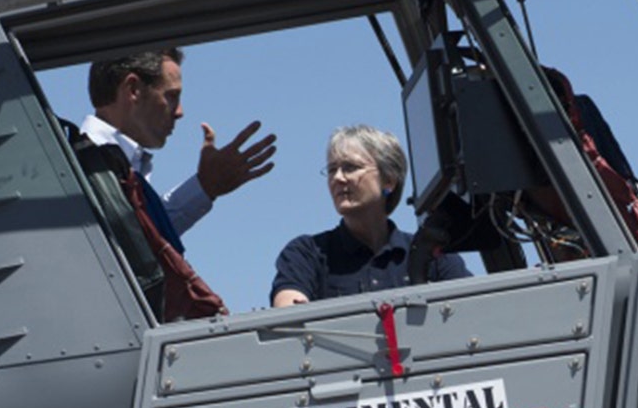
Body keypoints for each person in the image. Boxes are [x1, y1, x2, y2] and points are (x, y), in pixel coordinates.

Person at [81, 49, 277, 253]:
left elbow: (144, 241)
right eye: (172, 96)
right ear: (133, 90)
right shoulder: (79, 167)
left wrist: (205, 186)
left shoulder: (110, 162)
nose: (179, 112)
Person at [272, 125, 471, 306]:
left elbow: (478, 308)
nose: (338, 178)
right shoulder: (306, 254)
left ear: (389, 181)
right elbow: (288, 315)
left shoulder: (434, 255)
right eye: (332, 170)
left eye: (351, 167)